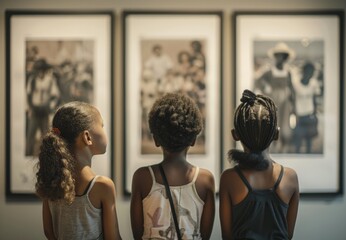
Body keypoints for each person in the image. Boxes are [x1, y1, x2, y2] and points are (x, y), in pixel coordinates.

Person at [130, 93, 215, 240]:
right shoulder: (205, 180)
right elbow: (204, 236)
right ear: (193, 139)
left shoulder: (142, 177)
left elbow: (138, 235)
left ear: (156, 139)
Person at [219, 89, 299, 240]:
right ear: (276, 134)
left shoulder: (229, 179)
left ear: (235, 134)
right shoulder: (290, 177)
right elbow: (288, 236)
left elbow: (227, 237)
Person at [35, 101, 122, 240]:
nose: (105, 130)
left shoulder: (51, 181)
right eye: (102, 126)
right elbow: (113, 237)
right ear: (87, 137)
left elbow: (49, 232)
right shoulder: (102, 185)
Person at [254, 42, 296, 153]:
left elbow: (291, 87)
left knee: (284, 122)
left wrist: (293, 101)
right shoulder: (269, 71)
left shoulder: (288, 72)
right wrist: (266, 87)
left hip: (285, 101)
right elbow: (258, 81)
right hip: (273, 100)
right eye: (277, 55)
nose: (279, 58)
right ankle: (273, 145)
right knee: (273, 121)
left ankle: (283, 144)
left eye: (282, 56)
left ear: (285, 57)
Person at [26, 58, 60, 156]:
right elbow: (28, 95)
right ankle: (27, 155)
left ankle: (46, 157)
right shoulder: (32, 80)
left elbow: (55, 95)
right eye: (38, 70)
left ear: (45, 70)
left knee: (45, 135)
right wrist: (30, 108)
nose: (40, 72)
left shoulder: (50, 80)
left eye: (42, 70)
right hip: (34, 110)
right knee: (31, 135)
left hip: (44, 110)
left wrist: (50, 106)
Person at [292, 62, 321, 153]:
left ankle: (309, 156)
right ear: (304, 71)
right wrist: (294, 113)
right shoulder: (296, 84)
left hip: (309, 114)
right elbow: (293, 99)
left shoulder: (313, 83)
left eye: (311, 72)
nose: (310, 74)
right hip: (299, 115)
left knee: (309, 140)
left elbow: (314, 99)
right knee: (298, 140)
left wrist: (315, 113)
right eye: (308, 71)